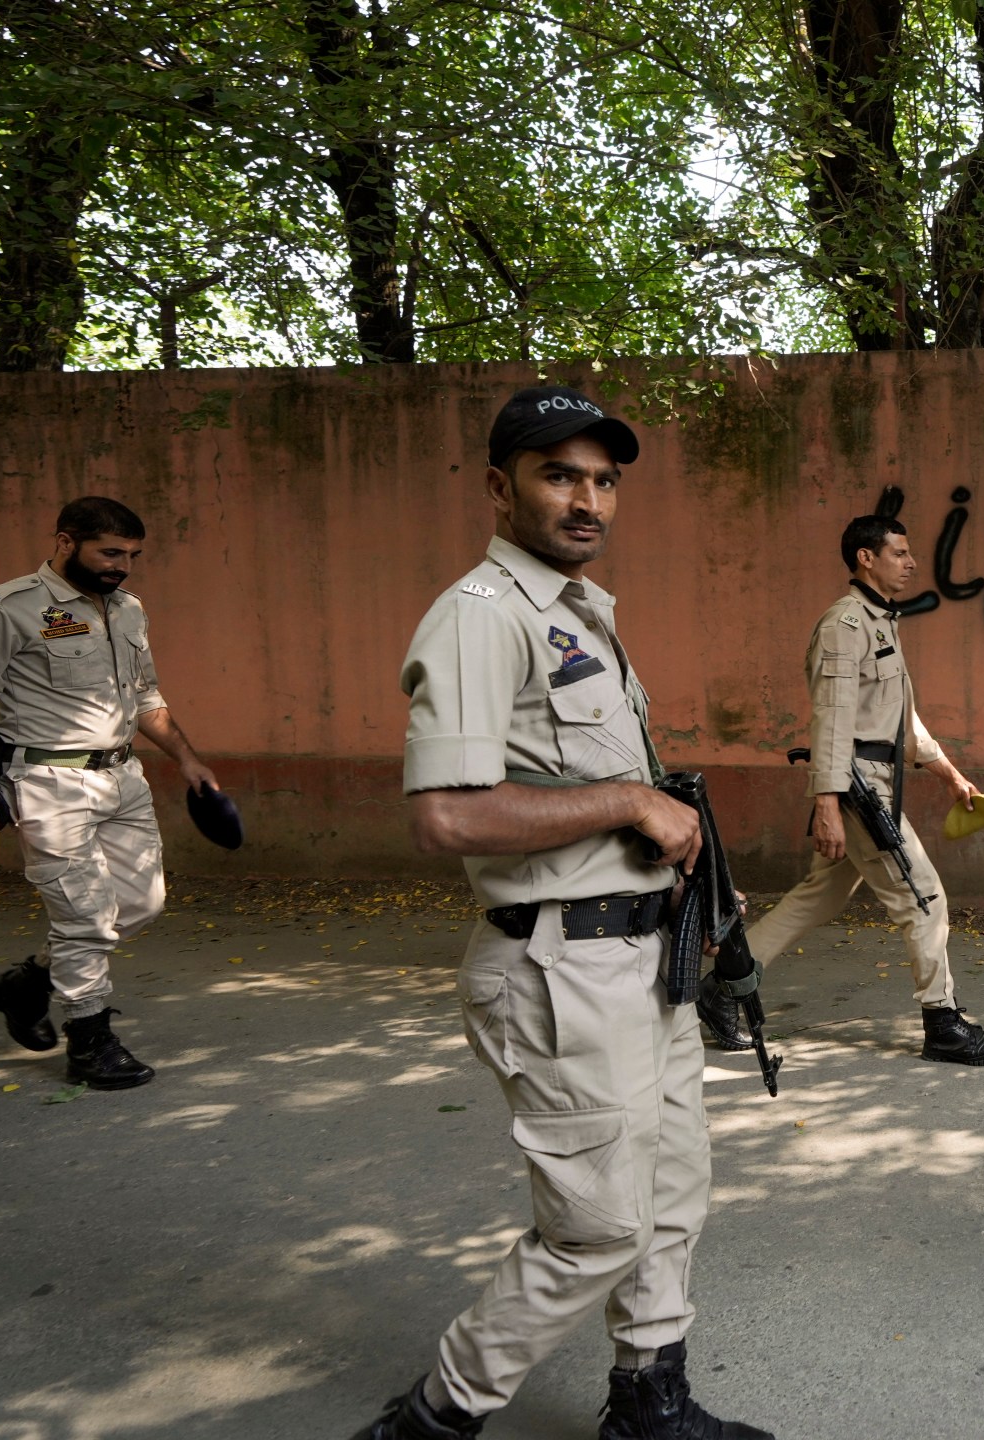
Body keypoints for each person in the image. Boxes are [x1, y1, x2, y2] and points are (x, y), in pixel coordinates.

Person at [356, 387, 772, 1440]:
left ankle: (649, 1399)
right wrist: (631, 801)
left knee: (674, 1189)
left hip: (643, 962)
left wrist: (678, 864)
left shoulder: (580, 612)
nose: (587, 499)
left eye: (603, 479)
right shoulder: (481, 619)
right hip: (558, 973)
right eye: (559, 475)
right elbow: (446, 817)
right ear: (501, 487)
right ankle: (439, 1413)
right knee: (596, 1226)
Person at [0, 496, 222, 1091]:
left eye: (133, 556)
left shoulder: (128, 610)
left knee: (140, 905)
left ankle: (29, 983)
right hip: (48, 783)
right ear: (66, 541)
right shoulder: (3, 609)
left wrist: (188, 760)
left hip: (123, 777)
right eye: (109, 552)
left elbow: (145, 696)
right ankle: (89, 1042)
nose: (122, 565)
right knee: (86, 916)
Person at [727, 512, 984, 1066]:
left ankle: (724, 986)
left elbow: (902, 718)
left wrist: (948, 773)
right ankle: (943, 1022)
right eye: (900, 553)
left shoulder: (880, 622)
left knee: (822, 894)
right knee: (923, 898)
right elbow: (831, 723)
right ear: (866, 557)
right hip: (858, 790)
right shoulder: (845, 626)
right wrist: (828, 804)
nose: (910, 563)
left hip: (876, 779)